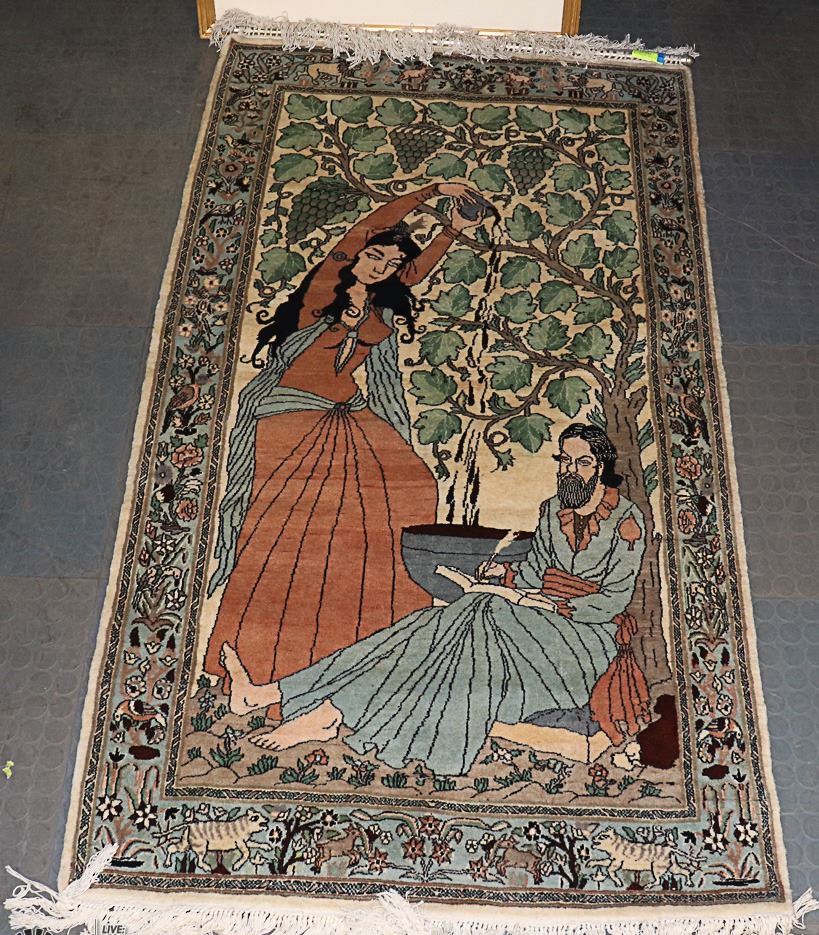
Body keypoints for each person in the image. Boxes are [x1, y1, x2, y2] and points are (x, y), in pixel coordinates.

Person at [218, 423, 652, 775]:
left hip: (587, 640)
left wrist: (550, 605)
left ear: (601, 467)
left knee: (479, 610)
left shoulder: (626, 520)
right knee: (428, 624)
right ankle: (279, 697)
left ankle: (317, 710)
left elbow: (615, 599)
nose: (571, 471)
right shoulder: (551, 510)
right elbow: (535, 571)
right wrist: (503, 576)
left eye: (582, 462)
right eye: (565, 461)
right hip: (533, 623)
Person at [203, 183, 487, 703]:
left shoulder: (379, 305)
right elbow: (363, 230)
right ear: (356, 255)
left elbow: (416, 272)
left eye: (391, 263)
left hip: (346, 414)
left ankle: (374, 644)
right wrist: (432, 191)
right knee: (290, 532)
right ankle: (260, 661)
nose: (381, 267)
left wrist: (452, 230)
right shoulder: (324, 290)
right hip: (292, 416)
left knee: (413, 485)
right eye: (374, 256)